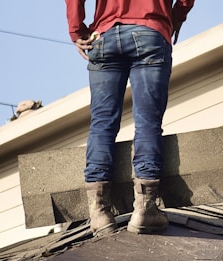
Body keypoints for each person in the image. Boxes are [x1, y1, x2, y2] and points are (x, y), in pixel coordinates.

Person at [67, 0, 193, 235]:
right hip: (151, 30)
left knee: (102, 123)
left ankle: (99, 213)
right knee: (147, 120)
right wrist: (176, 17)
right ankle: (145, 208)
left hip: (104, 35)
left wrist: (77, 31)